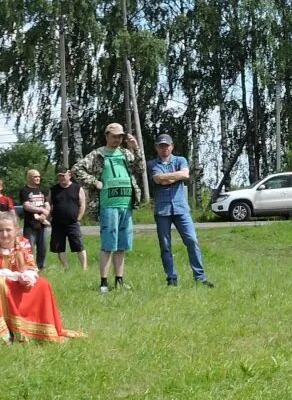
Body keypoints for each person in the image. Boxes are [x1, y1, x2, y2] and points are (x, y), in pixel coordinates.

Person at [0, 210, 77, 342]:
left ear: (16, 230)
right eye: (0, 231)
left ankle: (36, 330)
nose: (4, 234)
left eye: (8, 230)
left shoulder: (23, 243)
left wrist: (27, 277)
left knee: (42, 284)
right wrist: (18, 276)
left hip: (13, 283)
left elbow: (31, 265)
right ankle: (1, 333)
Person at [75, 123, 144, 293]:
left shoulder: (126, 154)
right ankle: (104, 283)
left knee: (122, 245)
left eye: (120, 136)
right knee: (108, 245)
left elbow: (141, 169)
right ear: (107, 136)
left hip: (126, 205)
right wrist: (94, 182)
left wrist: (136, 148)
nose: (117, 139)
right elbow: (77, 169)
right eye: (114, 136)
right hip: (108, 206)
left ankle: (119, 280)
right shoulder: (98, 154)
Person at [149, 134, 211, 287]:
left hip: (181, 209)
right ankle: (171, 278)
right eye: (161, 146)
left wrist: (168, 177)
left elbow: (185, 174)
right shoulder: (152, 164)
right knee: (165, 245)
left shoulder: (180, 160)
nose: (164, 149)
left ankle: (200, 278)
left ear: (172, 146)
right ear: (157, 147)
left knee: (192, 240)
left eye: (167, 145)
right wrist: (174, 177)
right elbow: (158, 179)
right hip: (162, 210)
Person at [48, 168, 87, 275]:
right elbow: (49, 204)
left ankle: (84, 268)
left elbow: (82, 204)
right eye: (59, 176)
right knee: (59, 247)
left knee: (79, 245)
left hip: (73, 222)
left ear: (69, 175)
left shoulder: (77, 188)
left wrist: (78, 218)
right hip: (57, 223)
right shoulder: (53, 189)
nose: (61, 178)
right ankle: (66, 267)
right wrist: (48, 217)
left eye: (63, 176)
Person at [18, 168, 52, 265]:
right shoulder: (24, 190)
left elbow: (47, 204)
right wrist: (41, 210)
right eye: (35, 176)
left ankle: (41, 267)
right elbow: (26, 206)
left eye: (38, 176)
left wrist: (45, 214)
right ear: (29, 178)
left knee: (43, 247)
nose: (38, 178)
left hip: (42, 223)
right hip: (30, 224)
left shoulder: (42, 189)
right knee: (29, 246)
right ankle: (30, 266)